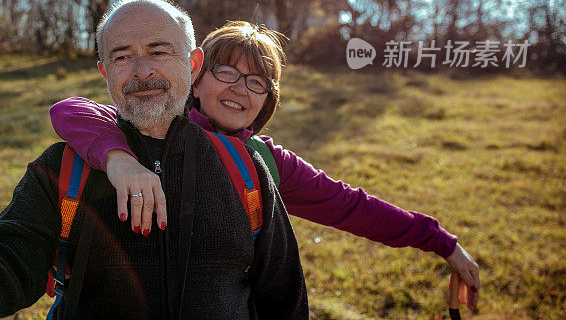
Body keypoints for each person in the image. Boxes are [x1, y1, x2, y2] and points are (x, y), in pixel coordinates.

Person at [0, 0, 308, 319]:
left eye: (159, 52)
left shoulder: (245, 171)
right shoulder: (65, 168)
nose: (142, 70)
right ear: (105, 72)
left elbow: (284, 296)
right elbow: (12, 252)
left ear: (194, 63)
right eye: (122, 56)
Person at [50, 20, 481, 312]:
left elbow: (353, 206)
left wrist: (440, 241)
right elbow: (70, 110)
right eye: (227, 73)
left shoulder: (266, 164)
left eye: (256, 81)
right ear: (196, 79)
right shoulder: (157, 124)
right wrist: (118, 158)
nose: (240, 89)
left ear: (266, 100)